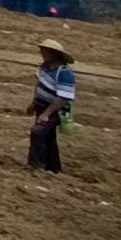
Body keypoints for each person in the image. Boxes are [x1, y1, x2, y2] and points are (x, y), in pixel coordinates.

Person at [28, 38, 78, 173]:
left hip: (54, 110)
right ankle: (53, 167)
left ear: (54, 53)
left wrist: (46, 114)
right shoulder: (44, 67)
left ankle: (37, 166)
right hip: (41, 105)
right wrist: (33, 102)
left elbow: (63, 98)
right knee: (48, 137)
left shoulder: (64, 73)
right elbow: (39, 84)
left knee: (37, 132)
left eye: (44, 51)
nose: (42, 53)